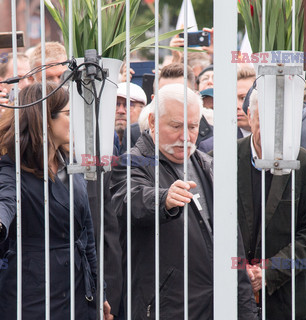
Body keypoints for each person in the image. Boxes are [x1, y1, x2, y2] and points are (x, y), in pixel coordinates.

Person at [110, 83, 256, 319]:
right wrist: (163, 199)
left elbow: (233, 247)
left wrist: (247, 311)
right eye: (176, 126)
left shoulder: (209, 166)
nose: (185, 136)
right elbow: (129, 200)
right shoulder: (132, 163)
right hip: (164, 309)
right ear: (154, 122)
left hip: (215, 308)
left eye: (192, 127)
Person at [0, 82, 111, 319]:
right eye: (69, 114)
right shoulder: (13, 167)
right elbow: (5, 200)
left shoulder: (70, 164)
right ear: (45, 120)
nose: (75, 121)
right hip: (32, 295)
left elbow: (87, 237)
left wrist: (99, 292)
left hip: (77, 293)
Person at [238, 89, 306, 319]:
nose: (274, 130)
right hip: (230, 297)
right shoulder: (220, 160)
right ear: (249, 116)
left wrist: (267, 272)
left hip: (286, 300)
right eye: (265, 120)